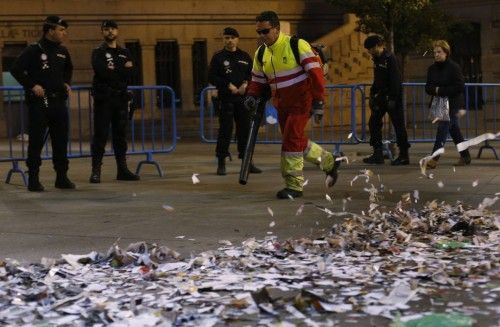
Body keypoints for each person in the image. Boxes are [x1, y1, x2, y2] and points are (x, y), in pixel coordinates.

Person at [245, 11, 340, 199]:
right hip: (281, 105)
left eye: (265, 31)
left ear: (277, 28)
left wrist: (319, 101)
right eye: (259, 32)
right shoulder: (261, 52)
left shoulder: (297, 45)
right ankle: (329, 161)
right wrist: (251, 95)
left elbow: (316, 75)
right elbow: (257, 80)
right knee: (296, 140)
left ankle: (294, 185)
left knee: (290, 141)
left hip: (301, 102)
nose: (262, 36)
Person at [10, 15, 75, 192]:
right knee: (37, 141)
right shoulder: (34, 50)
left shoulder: (63, 51)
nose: (64, 33)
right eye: (61, 30)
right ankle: (33, 179)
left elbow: (69, 68)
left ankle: (62, 177)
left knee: (60, 140)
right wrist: (32, 85)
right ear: (50, 31)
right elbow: (16, 69)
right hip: (40, 102)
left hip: (58, 101)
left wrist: (67, 82)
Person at [89, 20, 140, 183]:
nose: (110, 32)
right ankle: (96, 171)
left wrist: (116, 70)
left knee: (120, 135)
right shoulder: (98, 52)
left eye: (112, 29)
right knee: (101, 135)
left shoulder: (125, 51)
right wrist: (122, 69)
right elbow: (102, 72)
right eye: (106, 29)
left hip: (120, 99)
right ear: (102, 32)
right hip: (104, 99)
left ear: (117, 31)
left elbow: (132, 73)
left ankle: (122, 170)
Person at [208, 27, 261, 176]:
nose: (229, 40)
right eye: (226, 37)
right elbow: (211, 76)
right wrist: (227, 85)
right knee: (225, 131)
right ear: (223, 39)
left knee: (245, 131)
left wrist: (245, 84)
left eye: (232, 37)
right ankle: (221, 163)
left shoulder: (244, 56)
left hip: (243, 100)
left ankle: (247, 162)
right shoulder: (218, 57)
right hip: (226, 99)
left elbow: (253, 74)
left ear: (237, 39)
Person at [363, 35, 410, 165]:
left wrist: (393, 99)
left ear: (377, 46)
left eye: (370, 49)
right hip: (381, 97)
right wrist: (373, 94)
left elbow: (395, 80)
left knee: (398, 126)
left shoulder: (389, 59)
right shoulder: (377, 60)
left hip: (392, 98)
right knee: (373, 123)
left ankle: (404, 155)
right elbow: (378, 80)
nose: (369, 52)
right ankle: (377, 153)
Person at [424, 40, 471, 169]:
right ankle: (465, 156)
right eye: (434, 52)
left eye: (439, 52)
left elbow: (459, 86)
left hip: (453, 102)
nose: (436, 54)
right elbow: (428, 87)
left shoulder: (454, 67)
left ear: (446, 53)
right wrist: (436, 90)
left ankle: (434, 158)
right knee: (454, 129)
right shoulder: (432, 69)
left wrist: (440, 90)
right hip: (439, 103)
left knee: (443, 127)